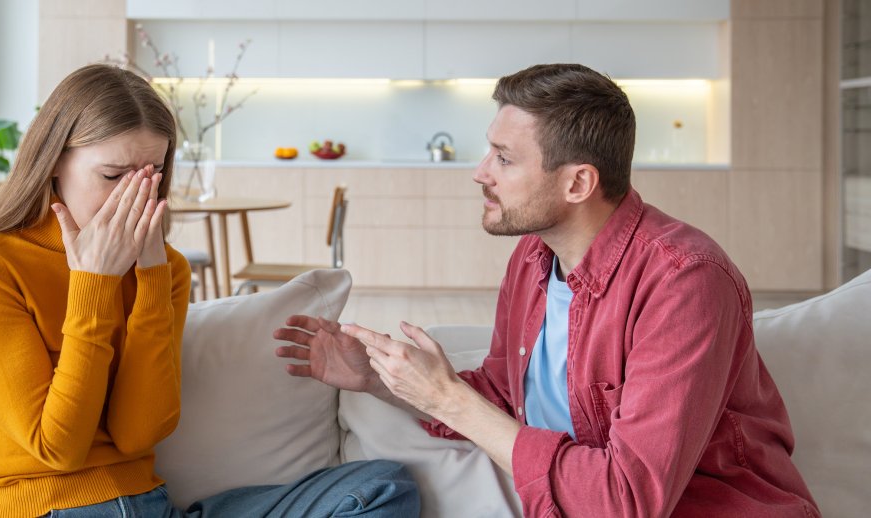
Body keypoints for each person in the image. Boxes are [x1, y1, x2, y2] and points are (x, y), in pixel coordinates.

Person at [274, 63, 820, 517]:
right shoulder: (535, 257)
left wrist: (448, 399)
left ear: (578, 182)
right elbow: (502, 394)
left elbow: (625, 501)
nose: (480, 172)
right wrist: (377, 379)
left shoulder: (685, 282)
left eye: (504, 159)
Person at [0, 64, 419, 518]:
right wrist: (94, 283)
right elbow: (56, 448)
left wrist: (150, 281)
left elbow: (136, 433)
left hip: (151, 504)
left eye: (151, 177)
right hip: (48, 508)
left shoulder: (165, 268)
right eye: (111, 176)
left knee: (381, 487)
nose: (136, 198)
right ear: (54, 161)